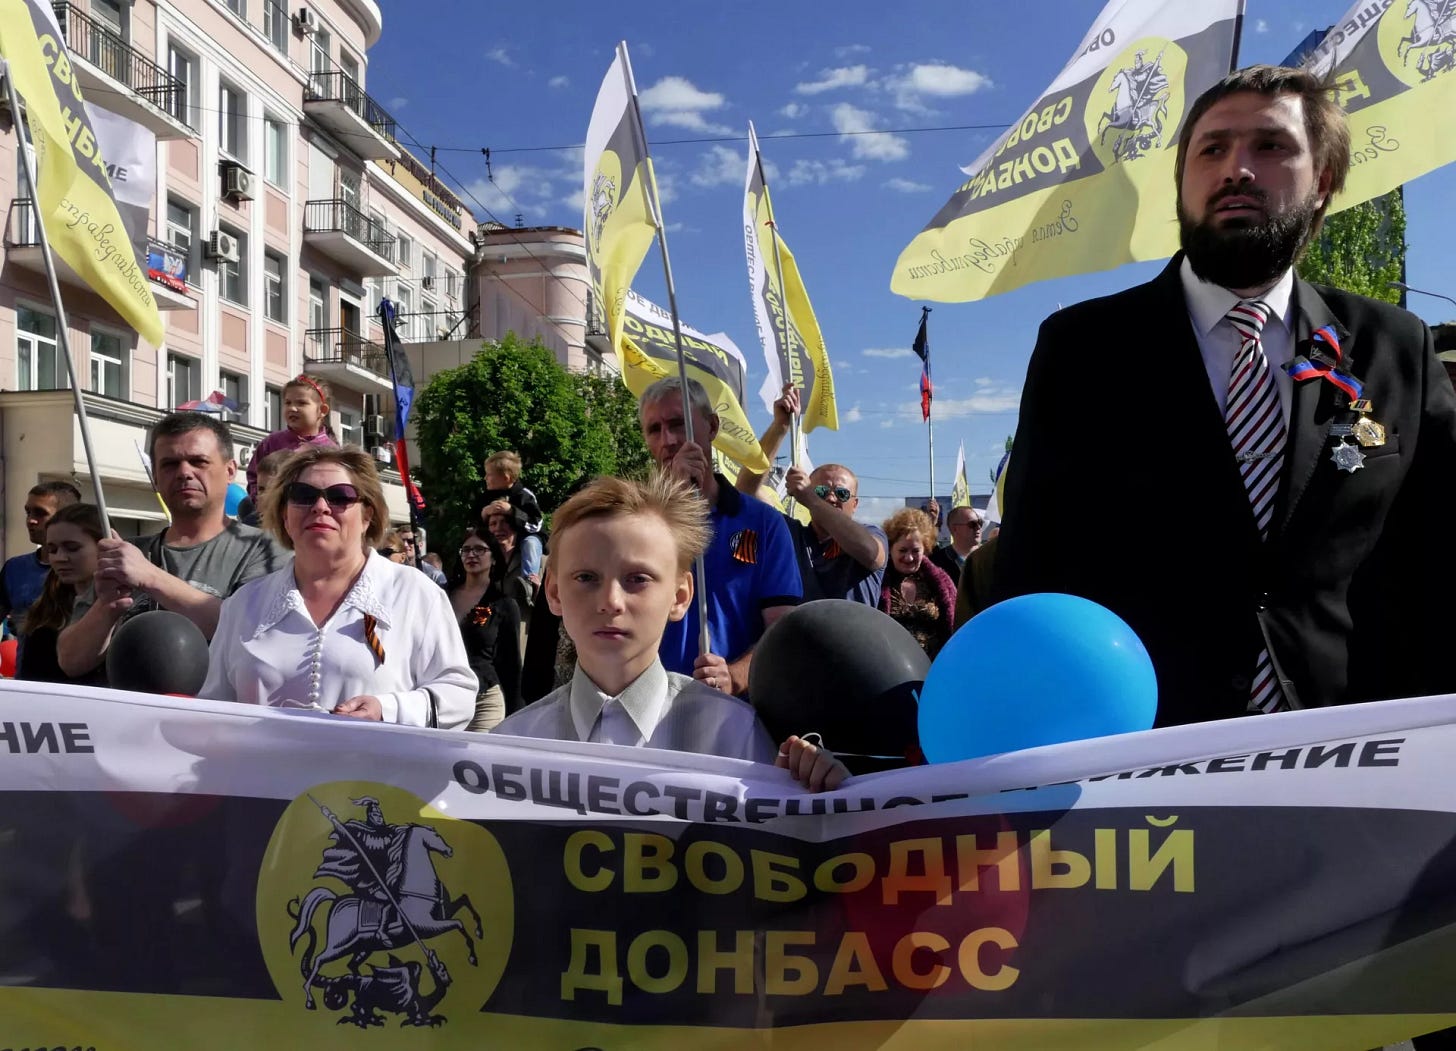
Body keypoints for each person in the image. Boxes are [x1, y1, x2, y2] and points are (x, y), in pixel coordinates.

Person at [993, 65, 1456, 728]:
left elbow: (1439, 558)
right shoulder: (1082, 350)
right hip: (1141, 766)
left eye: (1270, 146)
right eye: (1211, 149)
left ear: (1323, 180)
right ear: (1181, 182)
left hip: (1357, 762)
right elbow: (1032, 570)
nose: (1236, 169)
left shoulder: (1394, 347)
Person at [493, 474, 846, 791]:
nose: (611, 601)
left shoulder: (735, 736)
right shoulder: (511, 749)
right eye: (586, 578)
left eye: (637, 579)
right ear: (554, 592)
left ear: (680, 597)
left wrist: (815, 802)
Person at [200, 446, 476, 727]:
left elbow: (459, 696)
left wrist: (388, 709)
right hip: (265, 770)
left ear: (367, 515)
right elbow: (210, 709)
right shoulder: (244, 603)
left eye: (340, 496)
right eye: (303, 496)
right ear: (285, 514)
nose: (320, 507)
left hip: (372, 770)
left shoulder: (415, 593)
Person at [57, 414, 289, 677]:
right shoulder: (127, 554)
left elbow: (251, 634)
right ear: (154, 476)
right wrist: (107, 606)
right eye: (170, 464)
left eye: (198, 461)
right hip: (127, 714)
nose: (184, 473)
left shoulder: (266, 549)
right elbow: (70, 661)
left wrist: (150, 576)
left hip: (216, 715)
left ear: (230, 470)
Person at [638, 377, 801, 696]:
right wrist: (671, 500)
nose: (668, 440)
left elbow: (783, 628)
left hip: (734, 712)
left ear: (712, 426)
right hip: (647, 705)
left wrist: (736, 675)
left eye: (678, 424)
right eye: (654, 429)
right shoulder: (633, 519)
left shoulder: (763, 523)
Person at [738, 385, 887, 603]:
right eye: (821, 491)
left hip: (851, 637)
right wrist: (779, 427)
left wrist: (811, 498)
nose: (831, 498)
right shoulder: (792, 534)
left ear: (855, 504)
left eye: (842, 493)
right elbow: (745, 492)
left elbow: (872, 554)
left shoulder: (870, 533)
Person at [16, 503, 107, 685]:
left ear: (104, 546)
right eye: (52, 550)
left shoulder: (133, 605)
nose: (60, 558)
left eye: (72, 548)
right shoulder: (44, 613)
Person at [448, 529, 521, 730]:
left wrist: (517, 715)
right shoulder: (441, 596)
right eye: (466, 550)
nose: (471, 554)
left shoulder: (504, 605)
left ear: (494, 558)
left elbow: (511, 664)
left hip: (484, 700)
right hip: (445, 696)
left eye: (480, 549)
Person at [0, 481, 82, 639]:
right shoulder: (14, 568)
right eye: (28, 512)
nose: (30, 520)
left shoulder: (86, 570)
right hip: (27, 663)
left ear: (66, 516)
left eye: (40, 513)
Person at [245, 374, 337, 501]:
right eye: (288, 403)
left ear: (322, 410)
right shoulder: (272, 442)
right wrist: (258, 498)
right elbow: (253, 476)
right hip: (271, 513)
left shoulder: (331, 451)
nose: (292, 408)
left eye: (301, 403)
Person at [879, 508, 957, 658]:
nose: (909, 558)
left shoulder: (943, 583)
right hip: (888, 668)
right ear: (890, 549)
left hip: (933, 668)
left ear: (925, 550)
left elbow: (954, 626)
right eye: (902, 550)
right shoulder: (876, 582)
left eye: (915, 551)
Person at [473, 451, 544, 587]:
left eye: (489, 474)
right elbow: (473, 523)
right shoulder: (485, 498)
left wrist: (512, 511)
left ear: (505, 478)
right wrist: (485, 512)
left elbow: (536, 524)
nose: (485, 478)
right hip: (494, 539)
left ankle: (528, 584)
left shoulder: (524, 495)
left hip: (526, 537)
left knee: (530, 545)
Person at [485, 510, 536, 612]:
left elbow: (558, 606)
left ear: (516, 526)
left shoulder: (537, 561)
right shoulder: (483, 563)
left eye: (505, 522)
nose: (498, 527)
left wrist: (539, 593)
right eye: (493, 523)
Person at [930, 505, 984, 582]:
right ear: (955, 529)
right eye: (972, 524)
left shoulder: (991, 557)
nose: (978, 527)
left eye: (980, 523)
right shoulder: (937, 562)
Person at [236, 449, 289, 528]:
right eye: (261, 489)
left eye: (271, 490)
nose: (262, 496)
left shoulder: (302, 533)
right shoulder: (250, 526)